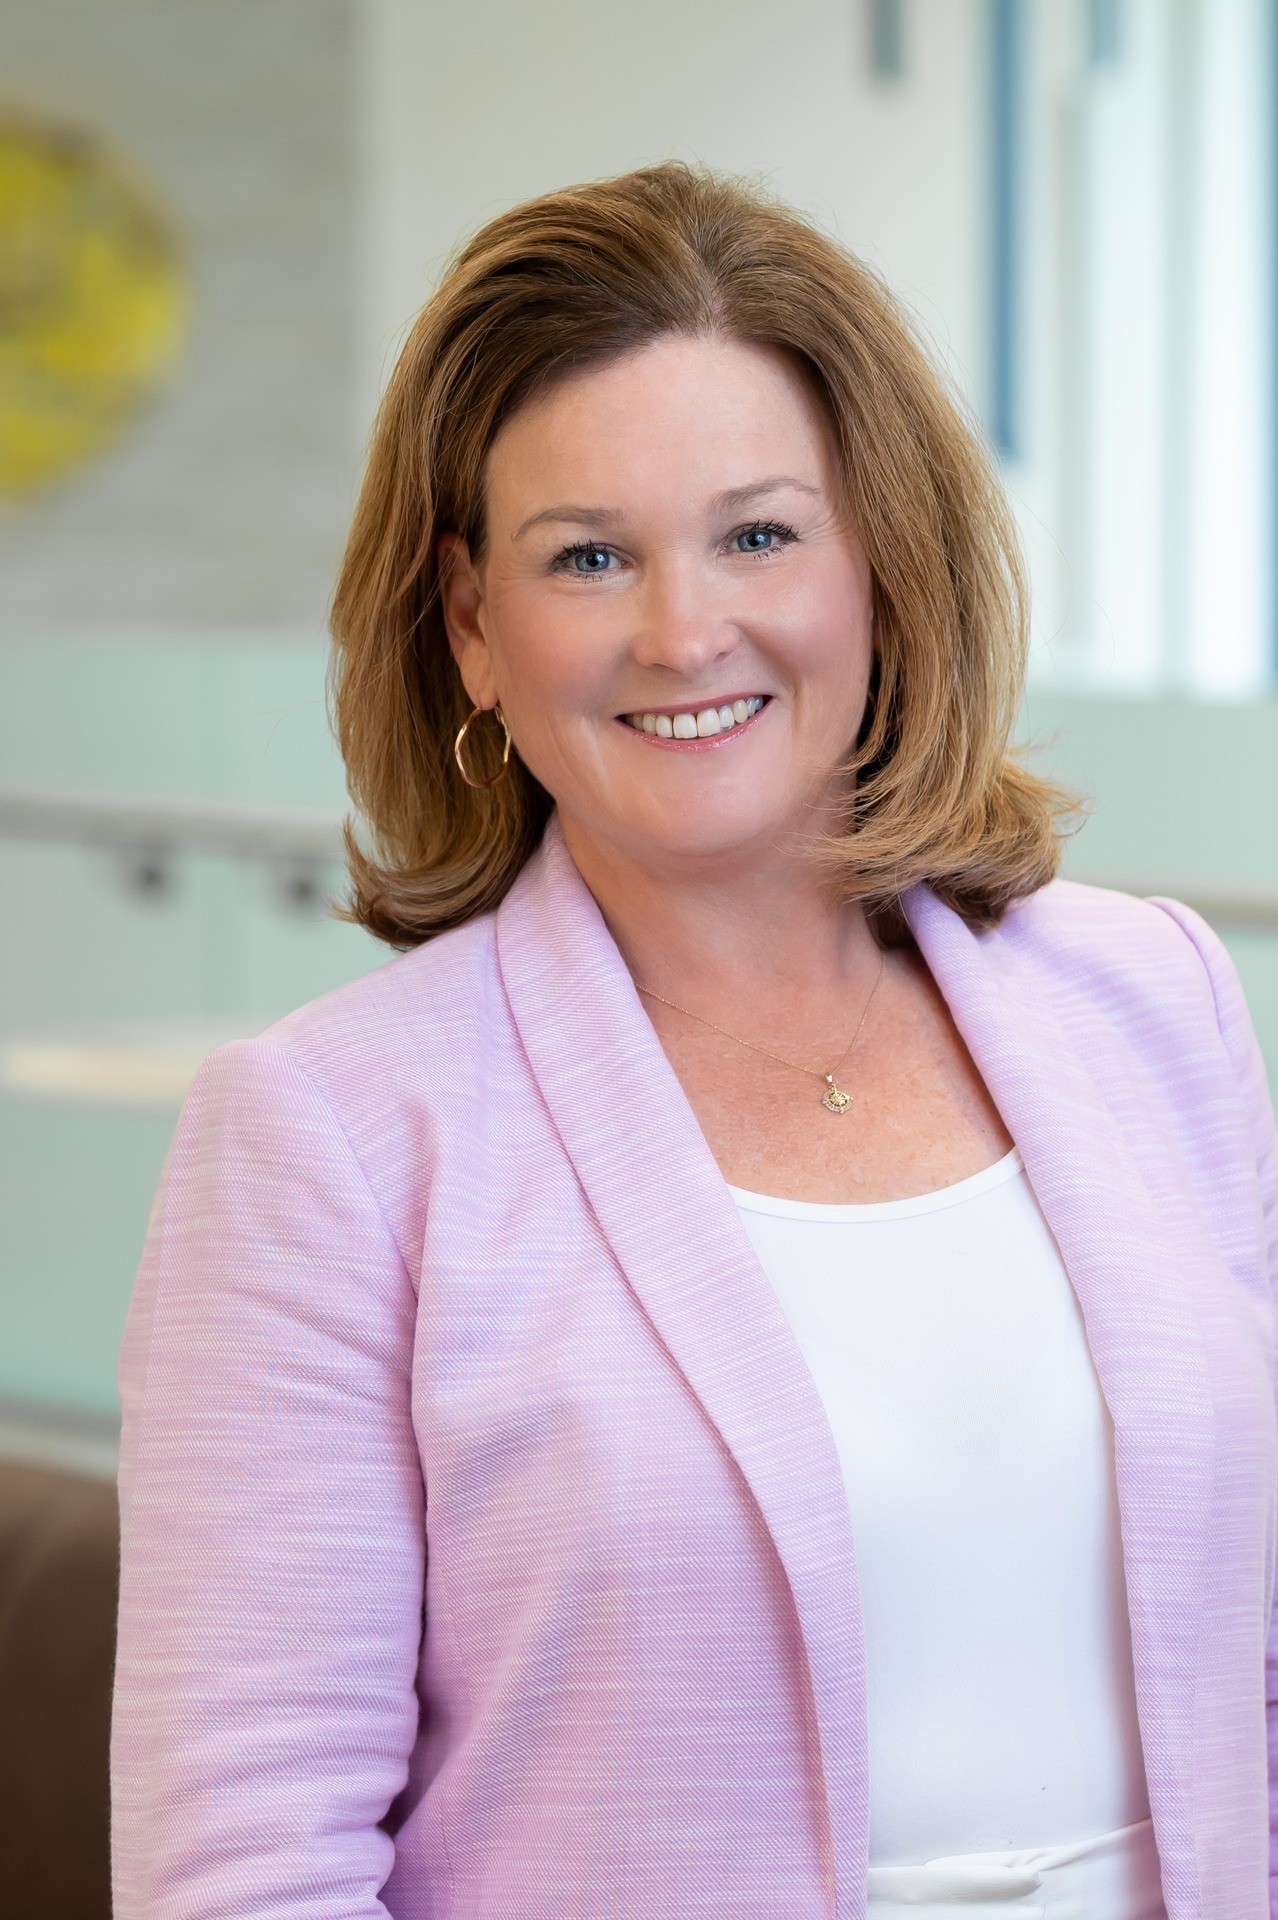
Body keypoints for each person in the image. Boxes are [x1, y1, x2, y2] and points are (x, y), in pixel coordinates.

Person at [111, 164, 1277, 1920]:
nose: (682, 632)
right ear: (469, 629)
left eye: (757, 532)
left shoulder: (1154, 1000)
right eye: (587, 556)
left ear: (875, 563)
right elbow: (244, 1862)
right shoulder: (333, 1137)